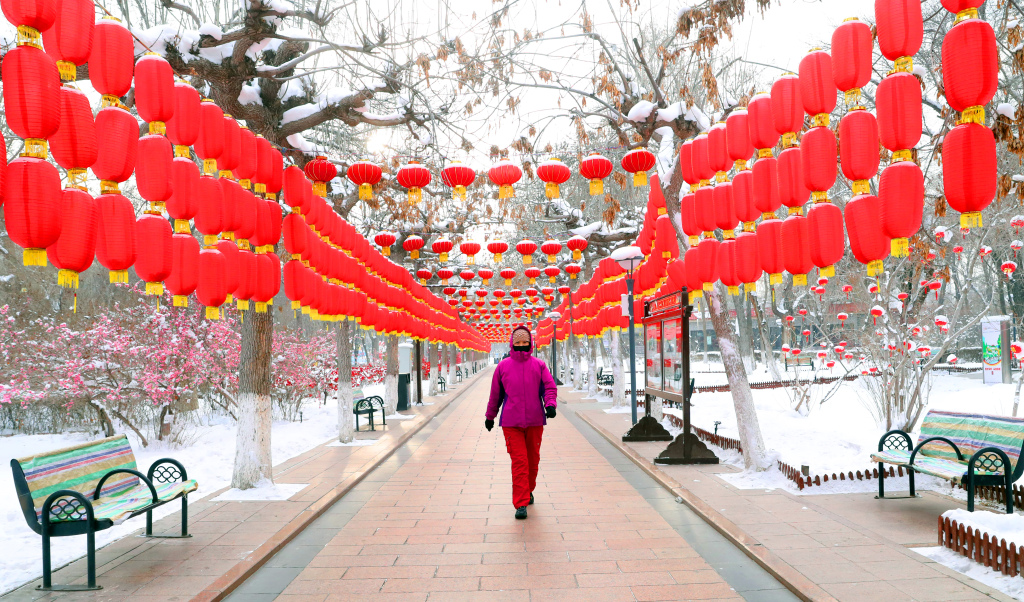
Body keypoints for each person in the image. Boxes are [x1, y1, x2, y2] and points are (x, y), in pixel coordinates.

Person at [485, 325, 557, 519]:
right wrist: (490, 416)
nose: (522, 346)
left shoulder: (539, 365)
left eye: (525, 343)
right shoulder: (503, 367)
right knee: (519, 462)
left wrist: (550, 405)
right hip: (511, 422)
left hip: (534, 420)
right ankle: (520, 503)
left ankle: (528, 490)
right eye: (518, 343)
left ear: (530, 344)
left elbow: (549, 387)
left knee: (533, 461)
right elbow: (495, 395)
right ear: (512, 344)